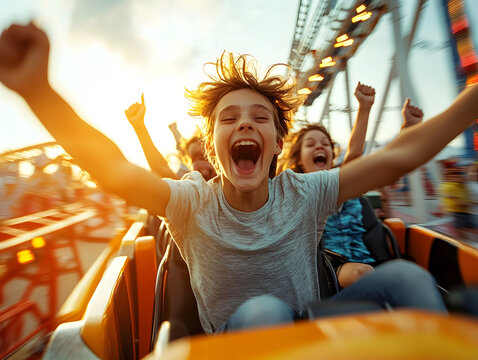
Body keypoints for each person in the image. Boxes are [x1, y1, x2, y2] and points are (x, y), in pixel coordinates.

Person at [3, 23, 477, 334]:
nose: (245, 124)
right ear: (212, 148)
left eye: (260, 118)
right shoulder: (191, 202)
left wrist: (470, 102)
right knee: (266, 312)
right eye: (228, 119)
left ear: (275, 144)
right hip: (238, 339)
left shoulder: (305, 192)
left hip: (314, 332)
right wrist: (40, 94)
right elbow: (112, 169)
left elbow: (397, 158)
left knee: (408, 279)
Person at [280, 82, 377, 288]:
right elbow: (354, 156)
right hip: (331, 266)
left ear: (332, 154)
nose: (319, 146)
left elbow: (353, 158)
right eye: (310, 144)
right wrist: (364, 109)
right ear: (299, 160)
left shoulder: (343, 182)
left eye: (325, 143)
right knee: (363, 273)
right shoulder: (300, 190)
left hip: (363, 259)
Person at [125, 94, 216, 180]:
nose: (197, 165)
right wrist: (139, 126)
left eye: (202, 157)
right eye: (192, 160)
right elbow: (161, 168)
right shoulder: (194, 192)